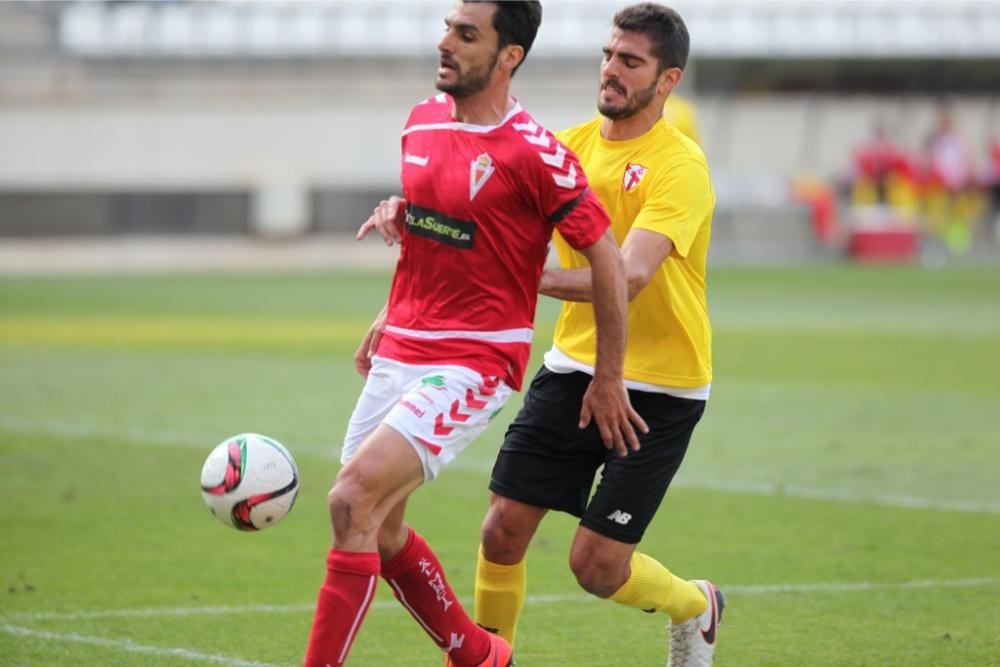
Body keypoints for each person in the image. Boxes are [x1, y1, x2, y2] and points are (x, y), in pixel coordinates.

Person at [303, 2, 645, 666]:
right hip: (405, 342)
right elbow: (437, 232)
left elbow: (607, 257)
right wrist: (387, 309)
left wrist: (608, 376)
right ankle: (479, 654)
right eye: (447, 29)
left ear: (508, 55)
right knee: (380, 523)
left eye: (466, 34)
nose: (446, 43)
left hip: (475, 359)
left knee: (351, 500)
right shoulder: (421, 122)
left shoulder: (536, 153)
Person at [473, 4, 723, 666]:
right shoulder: (566, 149)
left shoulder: (680, 166)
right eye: (608, 55)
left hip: (662, 385)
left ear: (667, 80)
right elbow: (484, 225)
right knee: (501, 530)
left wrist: (522, 280)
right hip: (575, 362)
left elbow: (631, 275)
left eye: (630, 61)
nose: (611, 70)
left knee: (596, 566)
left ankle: (696, 607)